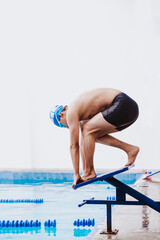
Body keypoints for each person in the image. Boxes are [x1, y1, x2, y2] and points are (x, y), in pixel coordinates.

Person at [50, 88, 139, 188]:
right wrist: (83, 172)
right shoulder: (81, 111)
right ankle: (130, 149)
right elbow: (83, 141)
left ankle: (90, 171)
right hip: (129, 110)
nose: (68, 127)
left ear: (61, 115)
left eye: (64, 125)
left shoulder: (71, 111)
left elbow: (74, 146)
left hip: (123, 104)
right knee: (91, 134)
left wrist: (75, 174)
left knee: (87, 130)